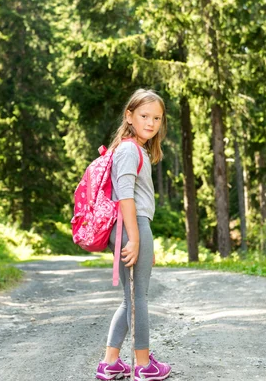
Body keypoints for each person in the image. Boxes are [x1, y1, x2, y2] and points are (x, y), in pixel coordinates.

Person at [95, 89, 172, 381]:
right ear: (129, 116)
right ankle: (143, 365)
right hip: (132, 226)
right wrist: (136, 239)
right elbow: (125, 198)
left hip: (135, 226)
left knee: (130, 300)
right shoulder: (129, 150)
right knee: (139, 299)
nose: (151, 123)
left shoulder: (137, 149)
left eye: (156, 118)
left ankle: (110, 363)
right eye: (144, 116)